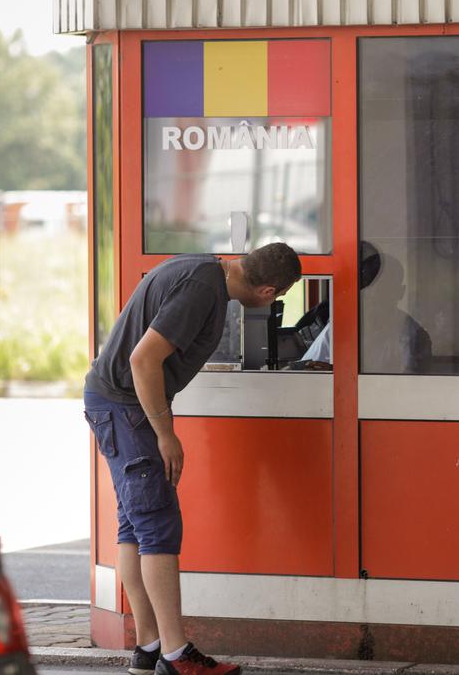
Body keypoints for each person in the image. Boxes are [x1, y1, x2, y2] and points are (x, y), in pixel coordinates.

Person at [83, 243, 301, 675]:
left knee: (136, 524)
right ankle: (176, 656)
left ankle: (149, 647)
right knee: (157, 523)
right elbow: (143, 360)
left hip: (114, 402)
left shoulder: (201, 268)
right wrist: (166, 435)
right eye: (277, 297)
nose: (272, 303)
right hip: (128, 407)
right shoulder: (203, 288)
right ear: (269, 289)